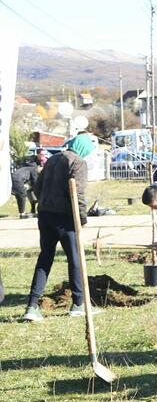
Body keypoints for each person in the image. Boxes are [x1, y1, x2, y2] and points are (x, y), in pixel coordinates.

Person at [21, 134, 97, 322]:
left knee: (45, 259)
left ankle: (32, 306)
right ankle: (78, 304)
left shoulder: (53, 159)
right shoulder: (78, 162)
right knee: (75, 259)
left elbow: (37, 188)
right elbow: (77, 192)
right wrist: (82, 218)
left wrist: (47, 202)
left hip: (45, 216)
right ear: (83, 149)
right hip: (65, 219)